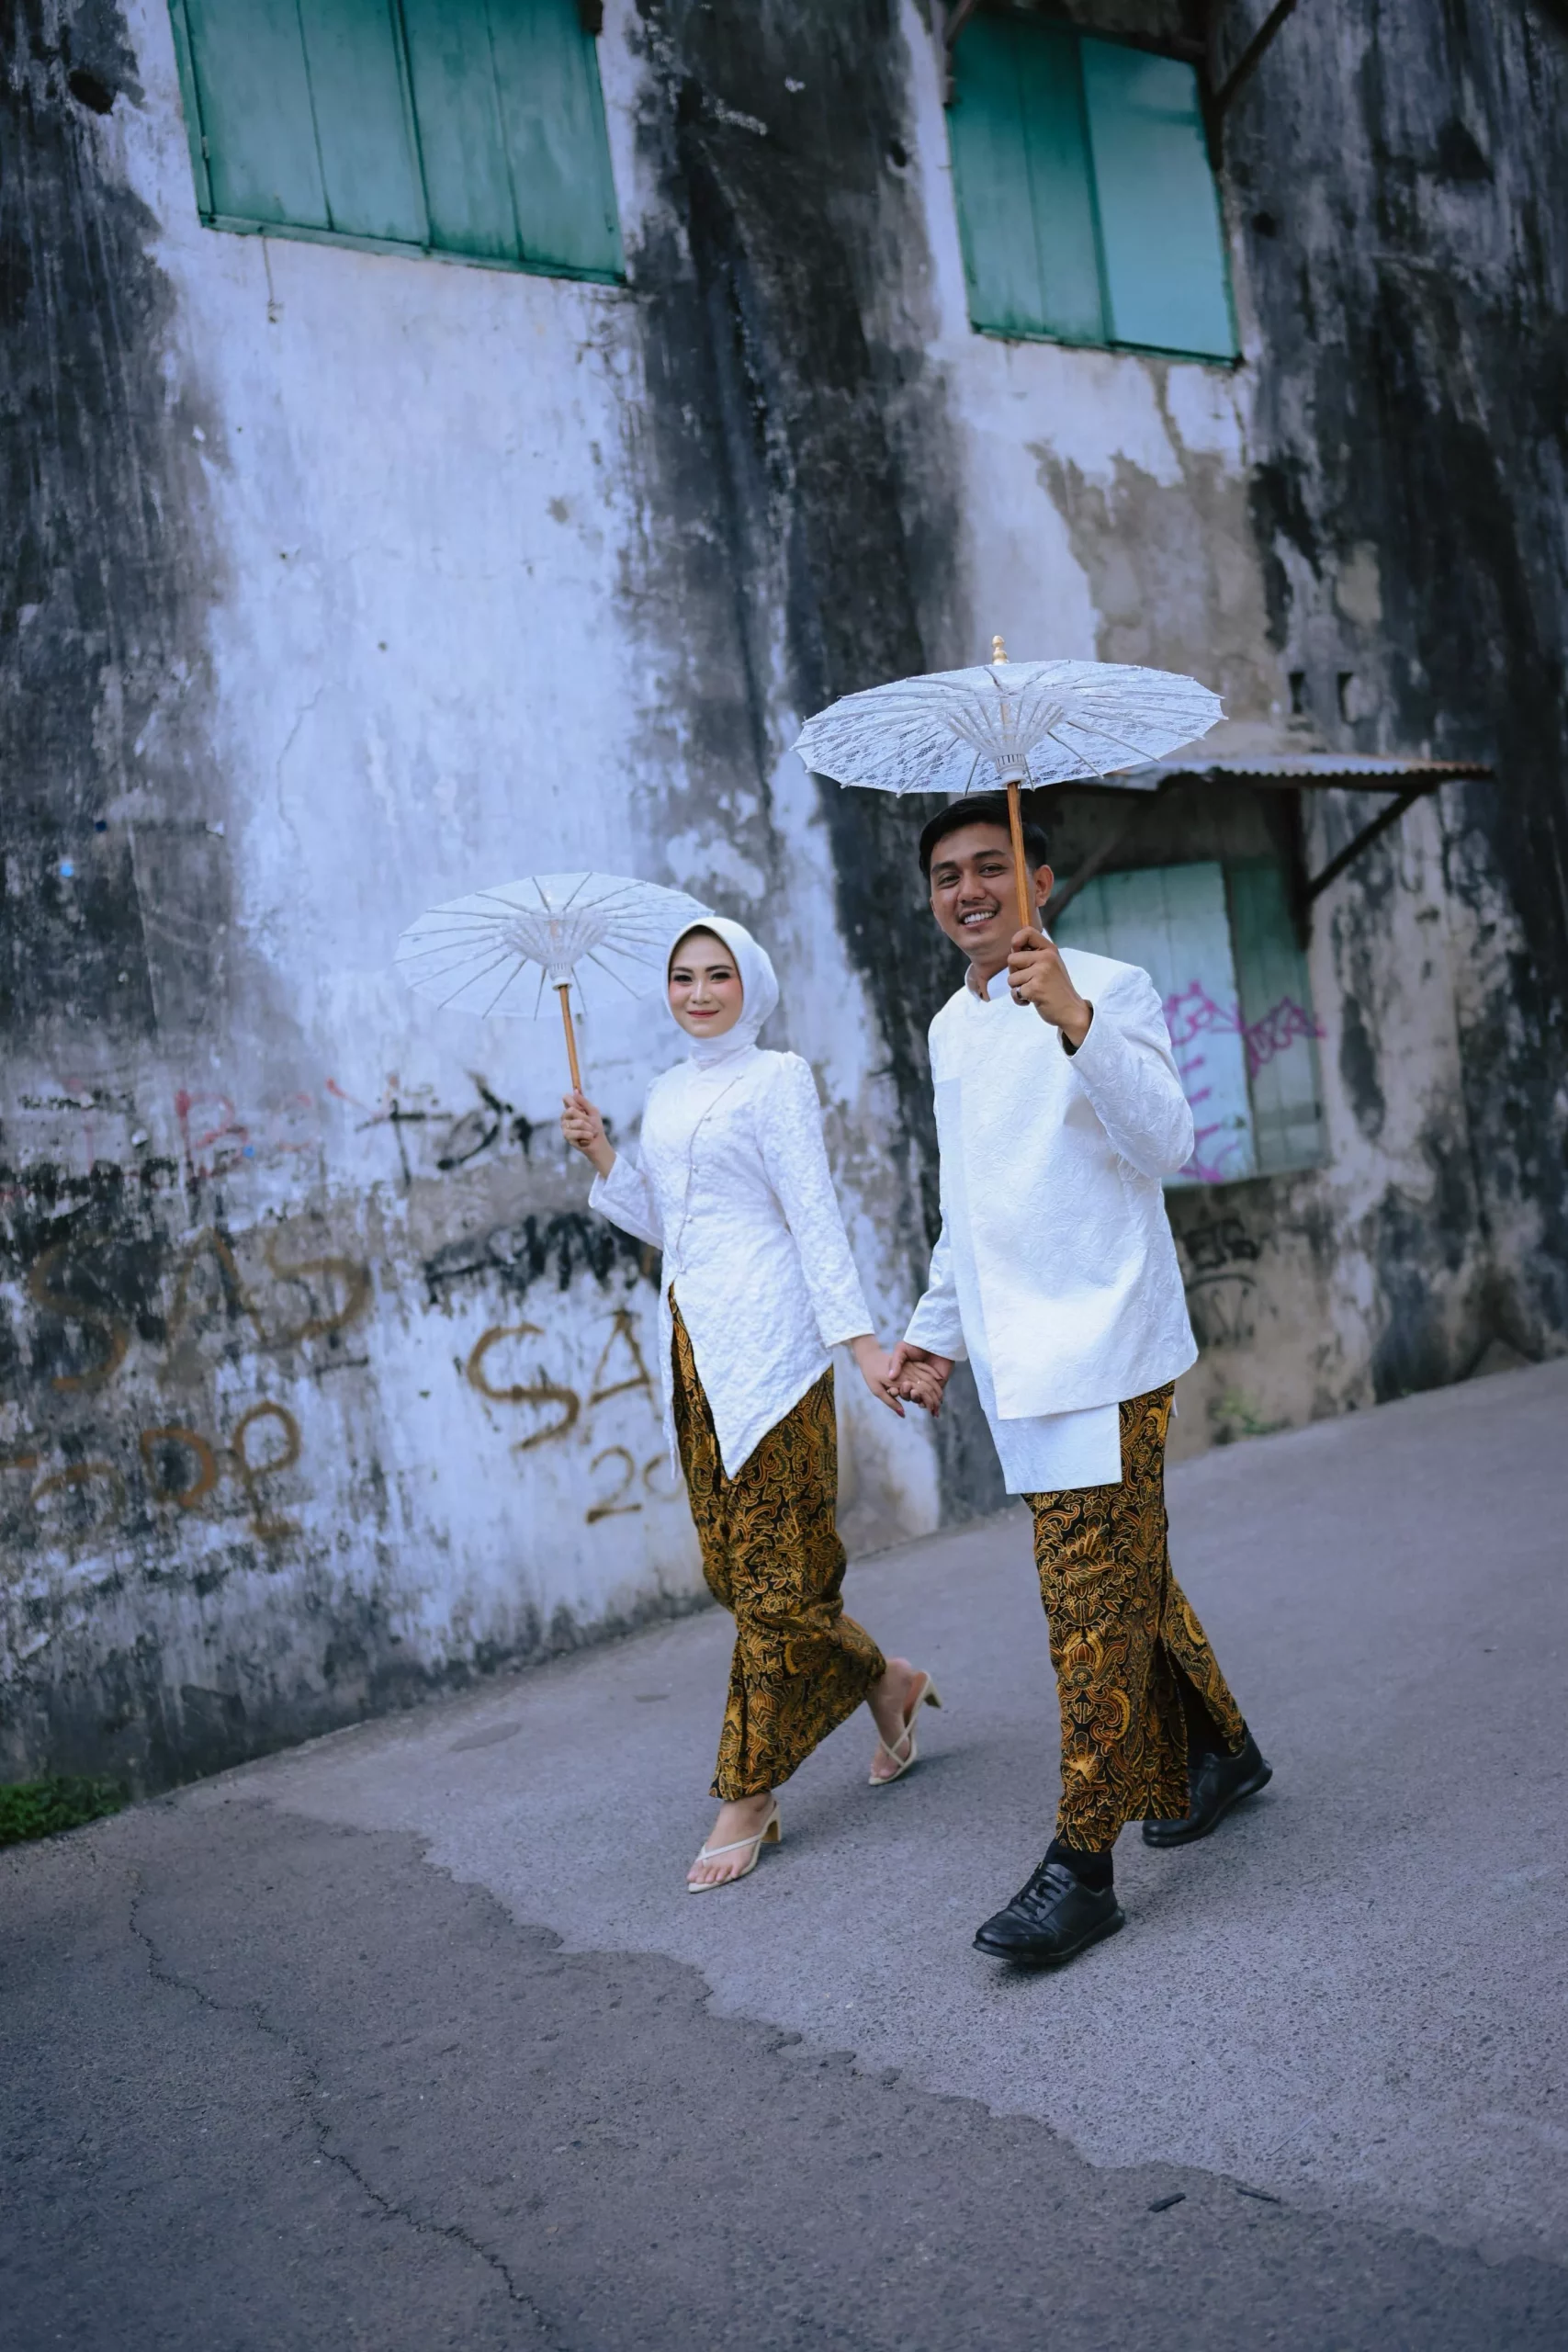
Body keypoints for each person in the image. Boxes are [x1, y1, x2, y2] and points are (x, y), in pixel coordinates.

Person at [888, 793, 1270, 1968]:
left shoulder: (1110, 985)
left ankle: (1081, 1865)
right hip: (1019, 1364)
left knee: (1086, 1610)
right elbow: (971, 1208)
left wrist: (1075, 1020)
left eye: (990, 866)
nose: (968, 890)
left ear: (1040, 881)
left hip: (1109, 1347)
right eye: (947, 875)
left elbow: (1169, 1143)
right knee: (1121, 1575)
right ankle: (1222, 1752)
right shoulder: (949, 1029)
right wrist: (934, 1336)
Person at [561, 916, 943, 1892]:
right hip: (694, 1352)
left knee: (778, 1582)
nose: (697, 992)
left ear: (751, 984)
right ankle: (887, 1680)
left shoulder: (776, 1078)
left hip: (773, 1352)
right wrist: (605, 1155)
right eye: (683, 977)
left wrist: (860, 1344)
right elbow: (674, 1226)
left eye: (717, 974)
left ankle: (749, 1792)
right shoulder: (665, 1091)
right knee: (737, 1573)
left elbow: (812, 1212)